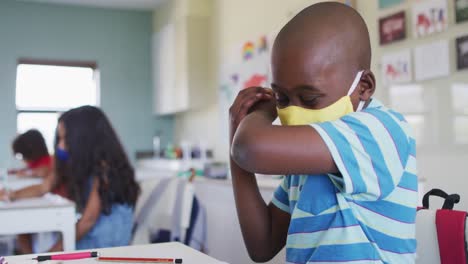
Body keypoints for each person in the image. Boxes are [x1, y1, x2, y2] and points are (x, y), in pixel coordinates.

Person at [229, 2, 417, 264]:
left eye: (309, 98)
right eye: (282, 98)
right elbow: (262, 245)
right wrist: (236, 143)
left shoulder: (382, 129)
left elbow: (250, 149)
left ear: (363, 87)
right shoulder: (305, 165)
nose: (293, 112)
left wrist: (258, 116)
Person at [1, 106, 139, 253]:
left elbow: (88, 221)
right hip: (89, 235)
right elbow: (44, 187)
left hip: (105, 245)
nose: (60, 145)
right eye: (59, 138)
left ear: (85, 139)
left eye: (65, 138)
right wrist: (12, 194)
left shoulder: (105, 169)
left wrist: (49, 255)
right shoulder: (80, 164)